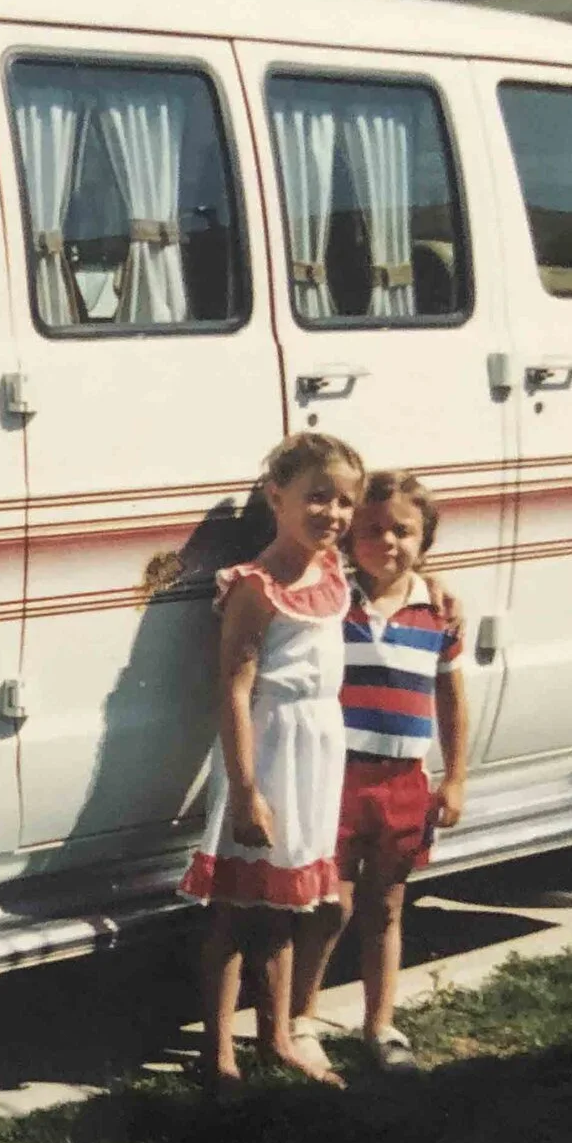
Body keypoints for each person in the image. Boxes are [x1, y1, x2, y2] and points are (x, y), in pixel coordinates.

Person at [181, 430, 363, 1094]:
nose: (333, 514)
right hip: (268, 748)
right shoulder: (256, 586)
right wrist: (249, 789)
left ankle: (278, 1035)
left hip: (318, 744)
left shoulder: (334, 570)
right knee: (234, 905)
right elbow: (234, 687)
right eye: (317, 497)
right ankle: (219, 1051)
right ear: (275, 496)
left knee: (289, 902)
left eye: (345, 502)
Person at [303, 469, 470, 1071]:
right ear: (350, 538)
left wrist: (453, 777)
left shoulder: (437, 614)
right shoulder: (332, 599)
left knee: (389, 905)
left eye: (403, 531)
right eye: (372, 530)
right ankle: (302, 1020)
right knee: (331, 905)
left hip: (405, 780)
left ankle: (380, 1025)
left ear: (425, 540)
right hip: (340, 776)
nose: (388, 542)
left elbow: (451, 698)